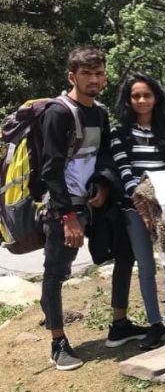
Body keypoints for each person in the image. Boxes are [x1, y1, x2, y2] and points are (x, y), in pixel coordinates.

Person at [40, 47, 113, 370]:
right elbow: (50, 169)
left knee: (66, 268)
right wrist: (67, 215)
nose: (94, 79)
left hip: (89, 203)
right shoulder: (58, 113)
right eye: (87, 74)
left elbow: (103, 156)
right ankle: (58, 342)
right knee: (55, 272)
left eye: (98, 73)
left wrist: (103, 184)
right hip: (62, 208)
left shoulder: (100, 113)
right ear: (72, 76)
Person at [110, 73, 165, 350]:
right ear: (128, 99)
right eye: (136, 96)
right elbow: (124, 169)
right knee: (145, 266)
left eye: (147, 94)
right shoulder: (119, 132)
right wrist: (142, 198)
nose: (142, 100)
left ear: (156, 97)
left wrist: (163, 189)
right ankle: (155, 323)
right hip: (135, 207)